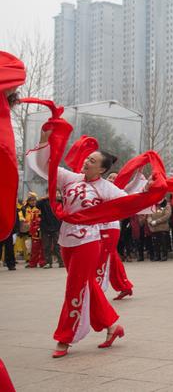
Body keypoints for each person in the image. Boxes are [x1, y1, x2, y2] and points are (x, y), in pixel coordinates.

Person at [26, 131, 129, 357]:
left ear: (101, 169)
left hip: (89, 241)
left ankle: (65, 338)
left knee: (74, 287)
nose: (86, 161)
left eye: (92, 161)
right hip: (67, 239)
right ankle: (112, 326)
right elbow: (47, 167)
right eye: (87, 158)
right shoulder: (70, 178)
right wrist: (45, 141)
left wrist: (150, 191)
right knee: (87, 285)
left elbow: (130, 202)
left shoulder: (106, 188)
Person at [96, 173, 135, 301]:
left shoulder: (118, 192)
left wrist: (138, 173)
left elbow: (133, 187)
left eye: (115, 178)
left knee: (105, 256)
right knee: (112, 257)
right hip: (99, 227)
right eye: (110, 177)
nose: (112, 179)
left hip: (110, 227)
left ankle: (99, 287)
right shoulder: (99, 189)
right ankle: (124, 286)